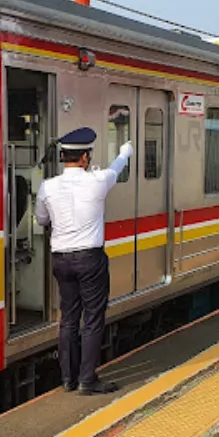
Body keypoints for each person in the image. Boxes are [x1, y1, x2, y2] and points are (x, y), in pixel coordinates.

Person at [34, 127, 133, 395]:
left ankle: (68, 379)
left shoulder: (47, 187)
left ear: (63, 157)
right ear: (85, 158)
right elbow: (116, 168)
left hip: (61, 260)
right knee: (92, 318)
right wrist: (125, 153)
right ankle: (87, 380)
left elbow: (41, 219)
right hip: (90, 259)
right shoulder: (98, 180)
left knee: (68, 318)